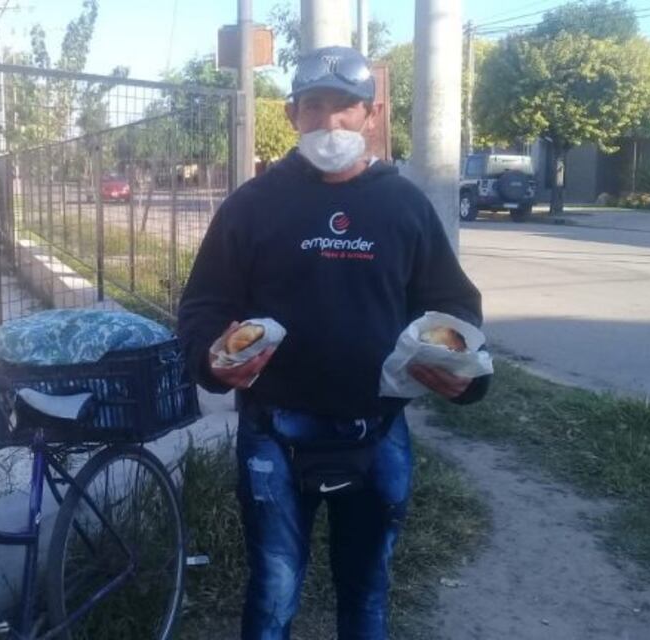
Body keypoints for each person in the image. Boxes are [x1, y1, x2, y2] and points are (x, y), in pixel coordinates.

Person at [177, 45, 490, 640]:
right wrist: (209, 360)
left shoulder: (404, 205)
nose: (330, 122)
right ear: (292, 113)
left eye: (345, 107)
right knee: (272, 590)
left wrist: (468, 373)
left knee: (367, 588)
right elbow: (204, 305)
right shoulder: (253, 205)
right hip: (273, 433)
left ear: (370, 115)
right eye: (314, 106)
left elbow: (453, 304)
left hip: (376, 432)